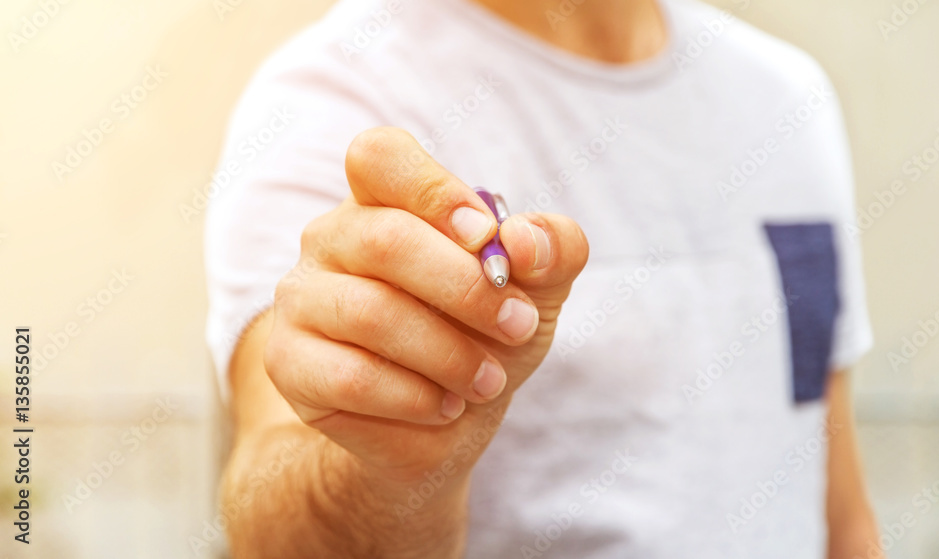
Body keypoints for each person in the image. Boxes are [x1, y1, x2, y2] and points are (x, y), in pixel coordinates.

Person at [204, 0, 883, 556]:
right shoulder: (328, 98)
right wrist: (386, 475)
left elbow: (836, 503)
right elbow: (271, 522)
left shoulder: (791, 99)